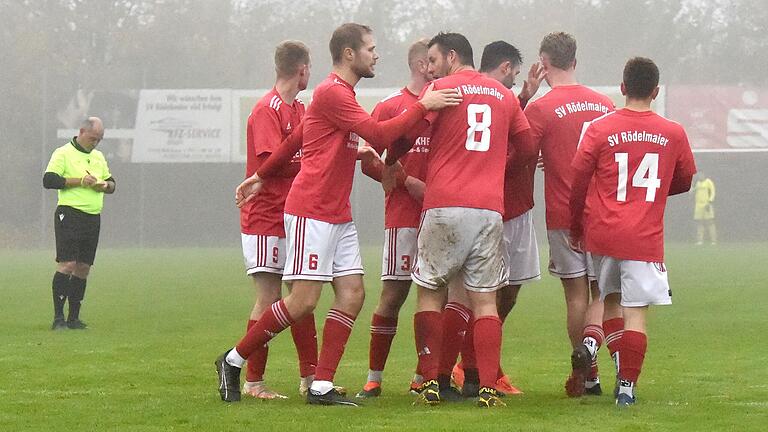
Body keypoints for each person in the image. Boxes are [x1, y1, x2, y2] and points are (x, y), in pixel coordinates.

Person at [217, 23, 460, 406]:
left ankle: (320, 385)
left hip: (337, 213)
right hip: (311, 210)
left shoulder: (337, 94)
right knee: (303, 301)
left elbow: (298, 138)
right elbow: (379, 135)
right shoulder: (333, 91)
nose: (376, 55)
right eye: (371, 48)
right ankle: (232, 360)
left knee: (352, 294)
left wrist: (261, 176)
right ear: (349, 54)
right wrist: (423, 106)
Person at [385, 32, 535, 408]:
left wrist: (392, 159)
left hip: (444, 205)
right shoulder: (503, 95)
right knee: (485, 302)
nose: (430, 68)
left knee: (430, 294)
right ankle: (485, 388)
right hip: (488, 208)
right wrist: (497, 165)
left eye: (433, 60)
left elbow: (405, 135)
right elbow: (528, 144)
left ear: (452, 57)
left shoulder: (441, 90)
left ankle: (430, 382)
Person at [569, 57, 696, 407]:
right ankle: (626, 388)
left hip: (604, 232)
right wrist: (652, 193)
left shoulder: (599, 128)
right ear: (655, 91)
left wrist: (575, 224)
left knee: (607, 300)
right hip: (644, 236)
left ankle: (592, 344)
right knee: (636, 311)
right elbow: (684, 179)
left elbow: (578, 180)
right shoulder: (673, 132)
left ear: (623, 87)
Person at [451, 40, 545, 398]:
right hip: (490, 208)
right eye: (515, 73)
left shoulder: (506, 100)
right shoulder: (475, 97)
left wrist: (523, 96)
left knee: (508, 291)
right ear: (505, 67)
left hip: (517, 207)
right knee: (477, 294)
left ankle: (476, 363)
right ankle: (469, 368)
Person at [523, 31, 614, 396]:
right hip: (603, 213)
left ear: (543, 64)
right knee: (600, 293)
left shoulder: (540, 108)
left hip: (563, 214)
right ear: (575, 61)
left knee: (575, 295)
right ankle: (593, 365)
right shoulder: (605, 104)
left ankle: (587, 374)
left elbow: (523, 155)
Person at [238, 40, 319, 400]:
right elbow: (275, 164)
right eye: (309, 68)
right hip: (265, 217)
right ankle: (253, 382)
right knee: (269, 296)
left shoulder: (299, 109)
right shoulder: (266, 109)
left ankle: (310, 378)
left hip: (292, 216)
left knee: (301, 296)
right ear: (301, 69)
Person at [355, 38, 432, 399]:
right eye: (433, 60)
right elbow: (368, 158)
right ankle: (374, 378)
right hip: (402, 218)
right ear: (421, 65)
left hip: (441, 218)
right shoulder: (391, 107)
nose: (438, 67)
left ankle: (424, 376)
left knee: (438, 299)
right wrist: (406, 181)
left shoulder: (447, 105)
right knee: (393, 295)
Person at [43, 117, 115, 330]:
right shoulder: (63, 153)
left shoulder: (99, 157)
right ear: (82, 131)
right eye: (93, 138)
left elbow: (112, 184)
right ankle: (58, 318)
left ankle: (73, 318)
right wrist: (80, 181)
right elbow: (49, 180)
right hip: (69, 213)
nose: (96, 143)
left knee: (83, 267)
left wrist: (104, 186)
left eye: (99, 140)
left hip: (92, 216)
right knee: (68, 264)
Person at [693, 173, 716, 245]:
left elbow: (713, 192)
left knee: (710, 222)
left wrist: (710, 201)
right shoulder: (697, 183)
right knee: (699, 223)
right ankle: (700, 240)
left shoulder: (708, 182)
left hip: (707, 205)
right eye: (699, 175)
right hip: (698, 205)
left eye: (701, 175)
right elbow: (693, 191)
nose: (700, 176)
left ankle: (713, 240)